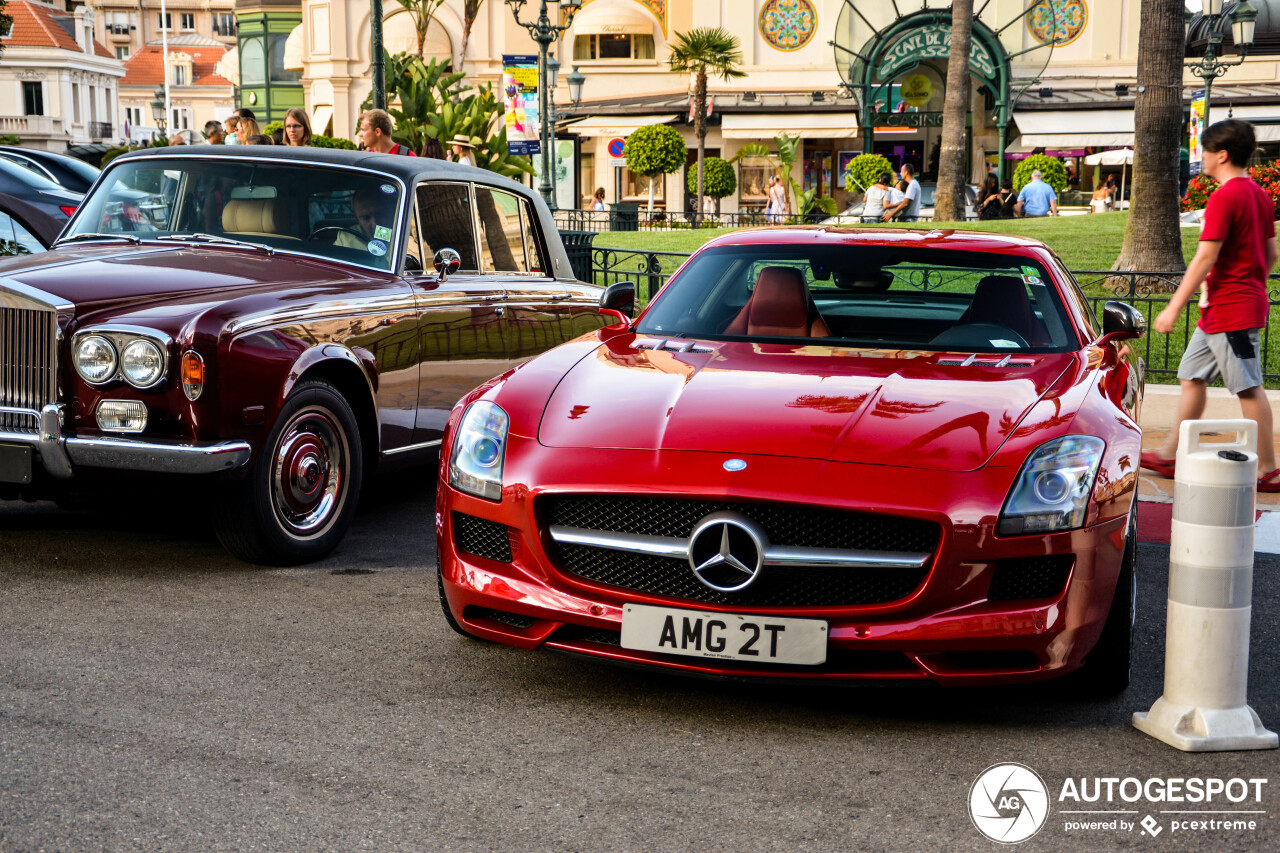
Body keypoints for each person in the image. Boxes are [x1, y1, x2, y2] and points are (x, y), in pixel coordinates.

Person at [1142, 119, 1279, 491]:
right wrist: (1253, 282)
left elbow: (1204, 258)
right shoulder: (1259, 195)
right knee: (1191, 376)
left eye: (1204, 149)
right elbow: (1272, 253)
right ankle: (1172, 452)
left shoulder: (1225, 197)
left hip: (1231, 309)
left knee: (1248, 388)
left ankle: (1268, 469)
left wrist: (1171, 308)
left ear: (1221, 154)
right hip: (1220, 308)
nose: (1200, 156)